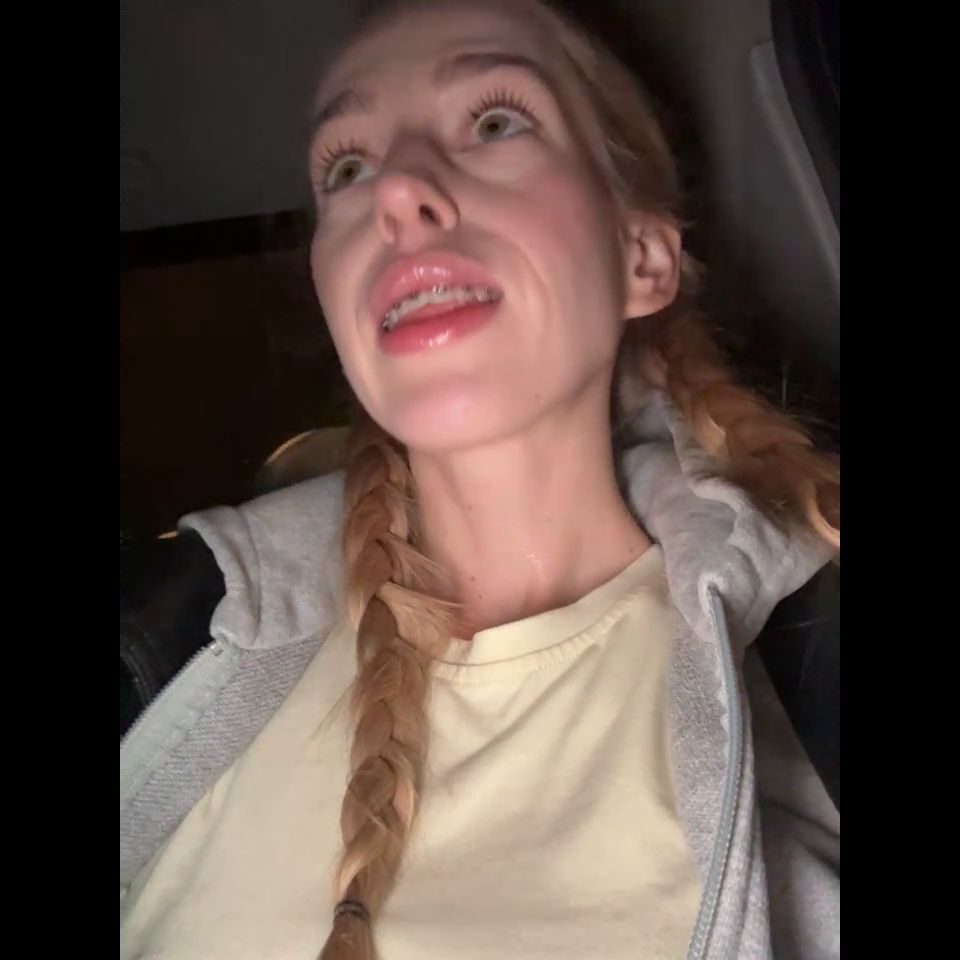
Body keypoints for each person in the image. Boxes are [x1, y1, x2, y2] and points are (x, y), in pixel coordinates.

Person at [119, 2, 840, 958]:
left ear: (642, 256)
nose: (396, 189)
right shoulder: (170, 636)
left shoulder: (816, 666)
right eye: (347, 168)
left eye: (496, 121)